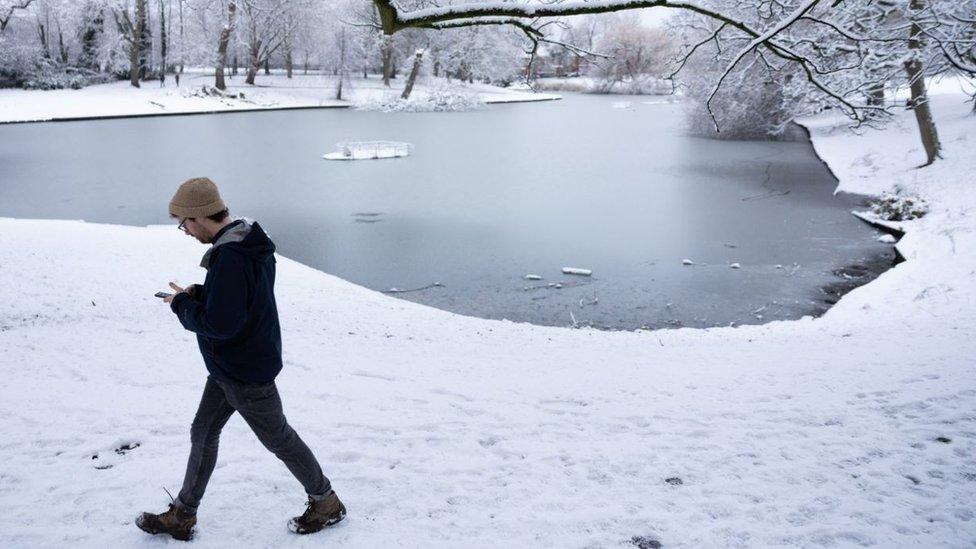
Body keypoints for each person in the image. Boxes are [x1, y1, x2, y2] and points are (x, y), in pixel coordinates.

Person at [136, 177, 345, 541]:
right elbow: (242, 300)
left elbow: (221, 324)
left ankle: (325, 502)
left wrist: (182, 305)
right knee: (203, 431)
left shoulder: (231, 256)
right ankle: (183, 515)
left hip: (244, 371)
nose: (183, 230)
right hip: (230, 366)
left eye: (183, 222)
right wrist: (201, 292)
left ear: (200, 216)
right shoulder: (246, 240)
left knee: (279, 438)